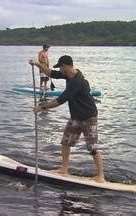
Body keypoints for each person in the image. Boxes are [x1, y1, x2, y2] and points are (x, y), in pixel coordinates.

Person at [29, 55, 105, 183]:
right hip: (76, 116)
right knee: (65, 142)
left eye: (61, 67)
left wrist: (42, 107)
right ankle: (64, 169)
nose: (60, 70)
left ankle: (101, 176)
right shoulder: (69, 75)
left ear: (65, 66)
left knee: (92, 147)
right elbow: (51, 73)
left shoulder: (77, 81)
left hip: (89, 117)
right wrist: (37, 64)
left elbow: (61, 100)